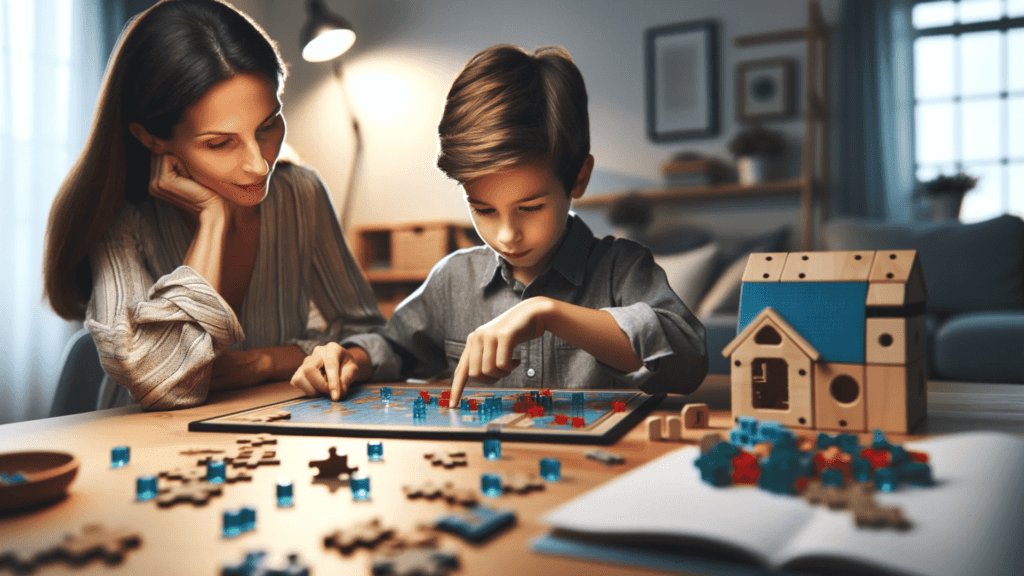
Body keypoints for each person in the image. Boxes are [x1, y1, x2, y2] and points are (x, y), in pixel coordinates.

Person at [291, 44, 707, 406]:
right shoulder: (453, 279)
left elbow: (688, 360)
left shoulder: (622, 269)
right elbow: (395, 347)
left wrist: (548, 313)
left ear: (578, 178)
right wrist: (350, 360)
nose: (507, 235)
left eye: (530, 208)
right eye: (484, 210)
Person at [43, 0, 384, 411]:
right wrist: (212, 220)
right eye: (220, 143)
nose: (259, 165)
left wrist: (261, 363)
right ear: (152, 139)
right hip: (140, 445)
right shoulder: (120, 219)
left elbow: (372, 337)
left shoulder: (300, 192)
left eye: (268, 125)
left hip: (267, 430)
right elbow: (165, 382)